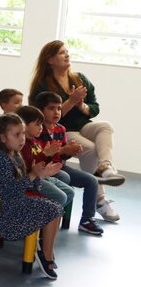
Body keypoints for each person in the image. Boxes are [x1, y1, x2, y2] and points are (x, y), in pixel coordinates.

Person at [28, 40, 124, 185]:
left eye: (67, 52)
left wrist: (82, 106)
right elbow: (45, 118)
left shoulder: (80, 78)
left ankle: (105, 166)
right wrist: (71, 101)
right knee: (90, 149)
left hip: (83, 126)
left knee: (105, 125)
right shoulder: (42, 85)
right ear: (50, 60)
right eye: (61, 53)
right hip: (61, 130)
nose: (67, 55)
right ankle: (100, 197)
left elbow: (94, 108)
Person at [0, 114, 65, 279]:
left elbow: (30, 185)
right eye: (17, 134)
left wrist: (41, 175)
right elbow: (10, 191)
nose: (22, 138)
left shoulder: (15, 155)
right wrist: (32, 175)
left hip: (19, 201)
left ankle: (46, 251)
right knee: (53, 210)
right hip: (10, 212)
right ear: (2, 137)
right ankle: (47, 255)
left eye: (23, 133)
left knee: (56, 208)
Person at [35, 90, 112, 227]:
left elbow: (63, 156)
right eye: (51, 108)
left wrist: (70, 151)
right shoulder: (37, 130)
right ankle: (47, 217)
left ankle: (87, 219)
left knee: (92, 180)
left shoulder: (61, 129)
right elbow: (38, 157)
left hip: (60, 166)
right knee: (64, 176)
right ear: (41, 110)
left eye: (59, 108)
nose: (56, 112)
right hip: (45, 169)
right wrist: (63, 150)